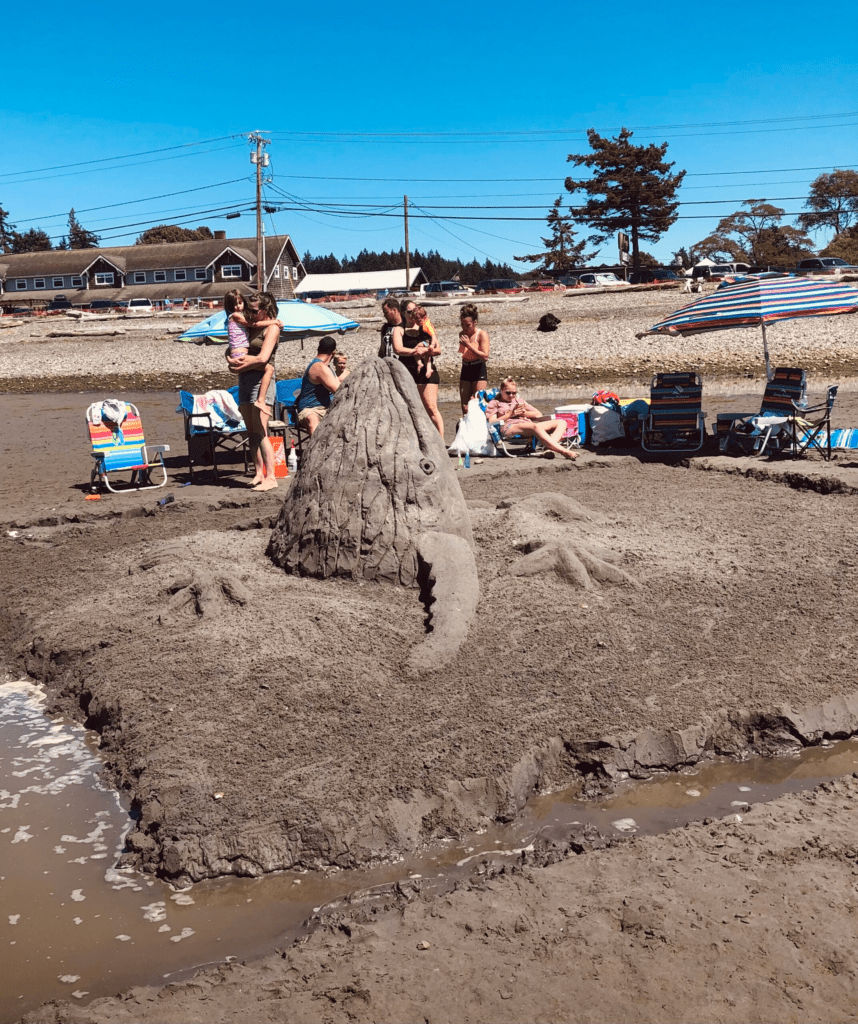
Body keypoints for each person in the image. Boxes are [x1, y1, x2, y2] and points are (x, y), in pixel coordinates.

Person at [226, 291, 282, 491]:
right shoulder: (250, 326)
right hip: (246, 380)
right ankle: (259, 473)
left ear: (265, 309)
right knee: (250, 431)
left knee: (261, 430)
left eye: (254, 310)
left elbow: (263, 358)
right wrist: (231, 359)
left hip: (262, 381)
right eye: (248, 309)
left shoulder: (272, 328)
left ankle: (272, 477)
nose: (250, 313)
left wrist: (240, 364)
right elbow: (233, 346)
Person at [485, 377, 578, 460]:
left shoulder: (519, 401)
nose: (511, 395)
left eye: (514, 393)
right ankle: (563, 451)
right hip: (509, 426)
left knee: (561, 422)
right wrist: (510, 415)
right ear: (501, 390)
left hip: (528, 425)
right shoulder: (494, 403)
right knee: (534, 426)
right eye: (508, 393)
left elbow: (538, 414)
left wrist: (524, 413)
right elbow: (492, 422)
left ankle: (549, 449)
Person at [224, 289, 281, 413]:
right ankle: (260, 400)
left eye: (240, 303)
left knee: (269, 368)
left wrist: (234, 363)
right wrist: (275, 321)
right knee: (269, 369)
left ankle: (261, 400)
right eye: (234, 304)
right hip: (244, 372)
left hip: (249, 370)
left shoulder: (271, 329)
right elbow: (254, 324)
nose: (238, 307)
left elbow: (262, 358)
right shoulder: (238, 317)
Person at [394, 299, 444, 437]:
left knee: (431, 407)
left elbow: (438, 349)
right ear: (403, 313)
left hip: (425, 372)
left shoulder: (425, 325)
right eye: (410, 312)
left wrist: (424, 351)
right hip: (407, 372)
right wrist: (415, 352)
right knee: (409, 409)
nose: (413, 315)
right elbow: (397, 349)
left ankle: (440, 440)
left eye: (415, 310)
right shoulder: (399, 329)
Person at [296, 336, 340, 436]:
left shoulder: (327, 368)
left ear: (318, 349)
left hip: (327, 409)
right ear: (333, 353)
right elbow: (338, 389)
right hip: (311, 409)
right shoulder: (319, 367)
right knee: (312, 418)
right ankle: (316, 449)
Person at [457, 302, 490, 412]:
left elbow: (485, 356)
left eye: (468, 325)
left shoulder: (481, 334)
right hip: (466, 368)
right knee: (465, 407)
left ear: (474, 323)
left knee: (477, 403)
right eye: (462, 325)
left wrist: (469, 345)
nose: (465, 328)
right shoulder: (462, 333)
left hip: (478, 368)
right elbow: (463, 352)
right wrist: (464, 346)